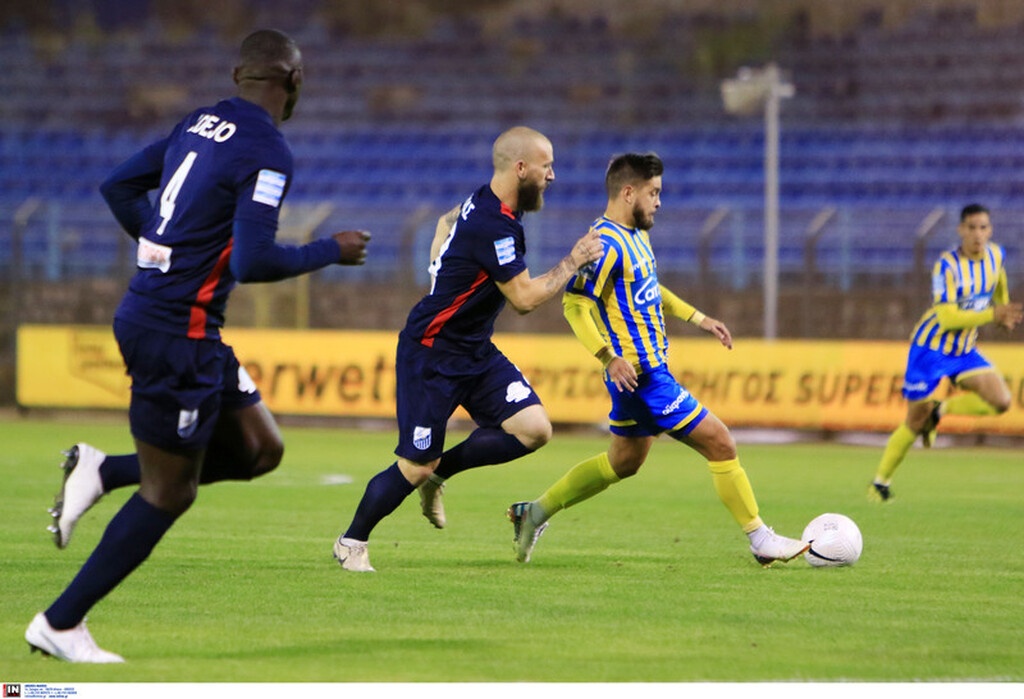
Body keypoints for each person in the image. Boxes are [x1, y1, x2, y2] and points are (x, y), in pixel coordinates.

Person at [26, 29, 371, 663]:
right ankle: (60, 622)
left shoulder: (198, 123)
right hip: (173, 331)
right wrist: (332, 249)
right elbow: (253, 261)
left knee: (261, 449)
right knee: (170, 492)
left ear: (239, 75)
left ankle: (104, 470)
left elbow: (117, 187)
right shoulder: (268, 149)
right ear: (294, 81)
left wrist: (161, 247)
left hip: (187, 326)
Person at [505, 152, 809, 566]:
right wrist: (607, 357)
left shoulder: (636, 235)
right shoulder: (604, 244)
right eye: (654, 193)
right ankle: (760, 538)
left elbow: (650, 287)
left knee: (624, 462)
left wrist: (699, 318)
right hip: (642, 378)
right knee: (721, 442)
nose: (659, 202)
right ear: (629, 193)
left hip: (644, 374)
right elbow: (575, 306)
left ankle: (534, 513)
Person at [331, 126, 603, 572]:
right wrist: (572, 261)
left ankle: (440, 474)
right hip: (432, 354)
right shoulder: (493, 225)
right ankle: (351, 541)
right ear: (521, 168)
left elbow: (445, 222)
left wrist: (438, 271)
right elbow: (523, 300)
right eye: (547, 165)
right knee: (414, 465)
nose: (553, 175)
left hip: (473, 350)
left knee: (534, 429)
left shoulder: (486, 202)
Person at [869, 203, 1021, 502]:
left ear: (990, 230)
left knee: (1002, 401)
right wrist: (992, 314)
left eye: (983, 228)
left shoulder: (995, 255)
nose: (978, 234)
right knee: (915, 422)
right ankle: (880, 483)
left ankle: (940, 410)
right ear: (961, 230)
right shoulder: (946, 266)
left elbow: (999, 279)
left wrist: (1004, 308)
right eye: (971, 227)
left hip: (964, 350)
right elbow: (948, 318)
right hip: (929, 349)